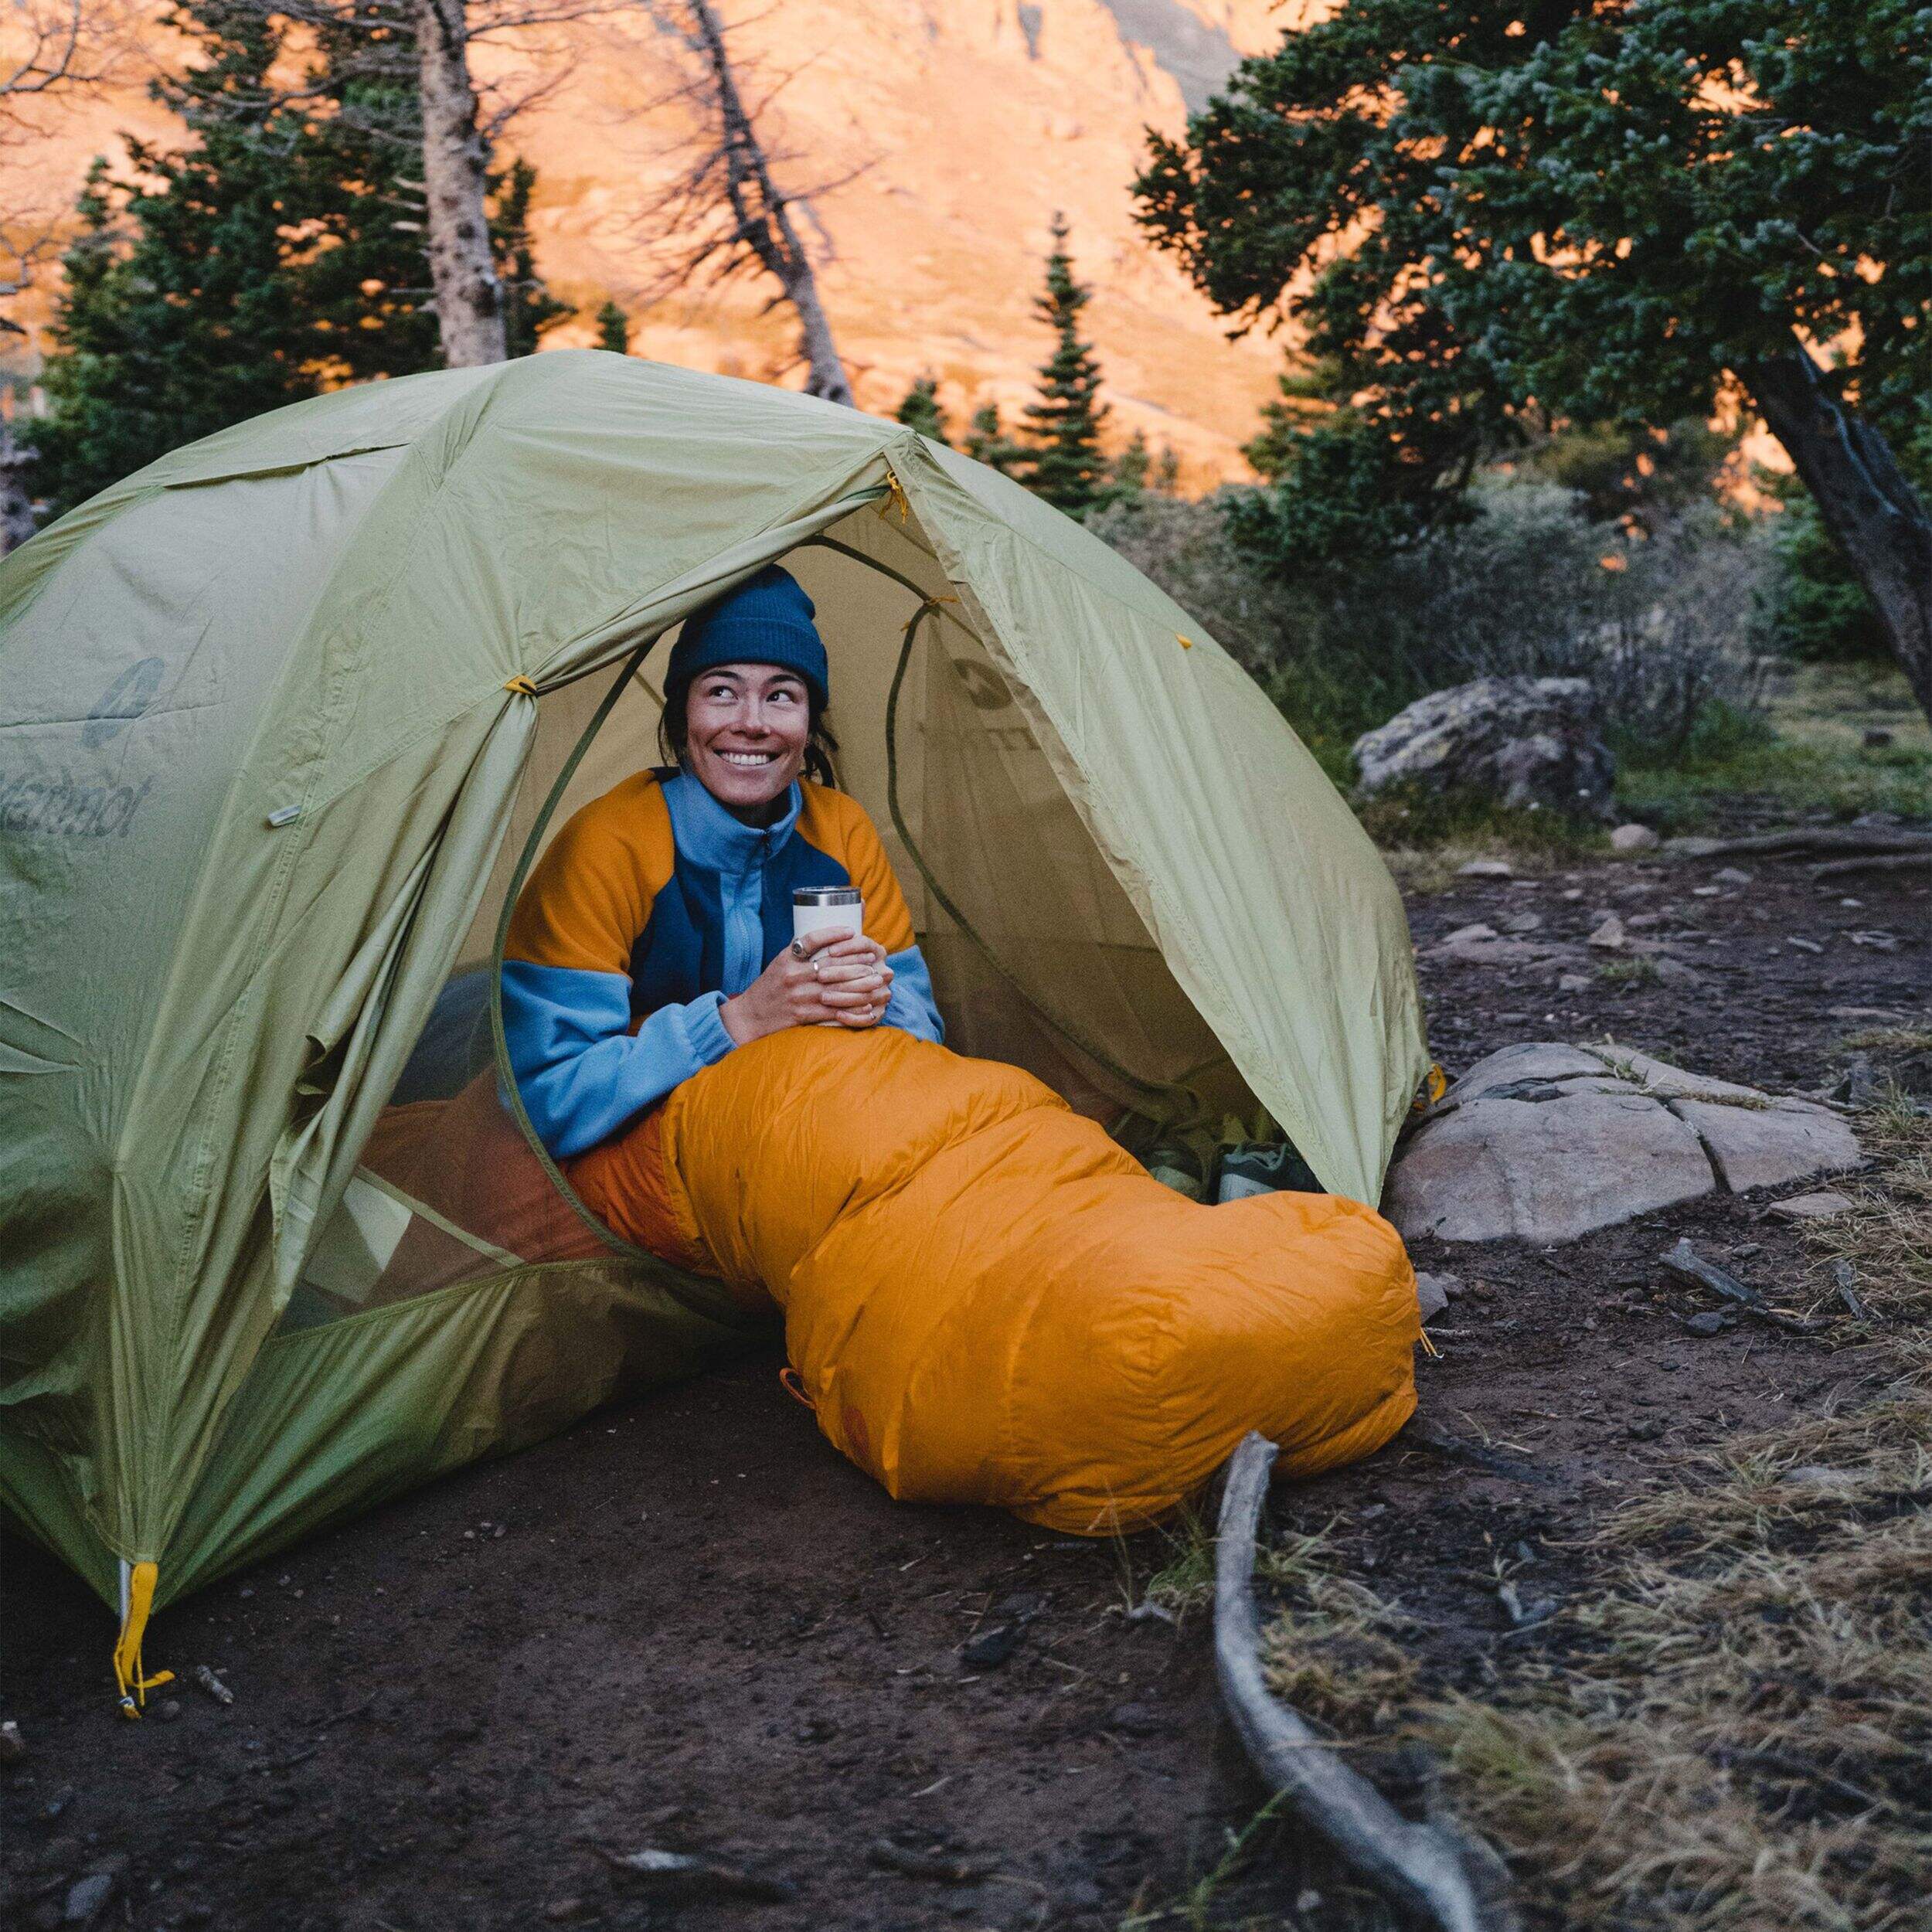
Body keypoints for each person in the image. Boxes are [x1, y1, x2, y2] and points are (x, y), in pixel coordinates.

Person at [500, 564, 944, 1172]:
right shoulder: (609, 844)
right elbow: (539, 1098)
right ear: (682, 714)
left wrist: (875, 1003)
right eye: (721, 691)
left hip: (804, 1127)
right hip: (638, 1155)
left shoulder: (842, 830)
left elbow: (924, 1034)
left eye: (782, 695)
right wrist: (741, 1020)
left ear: (809, 723)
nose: (752, 723)